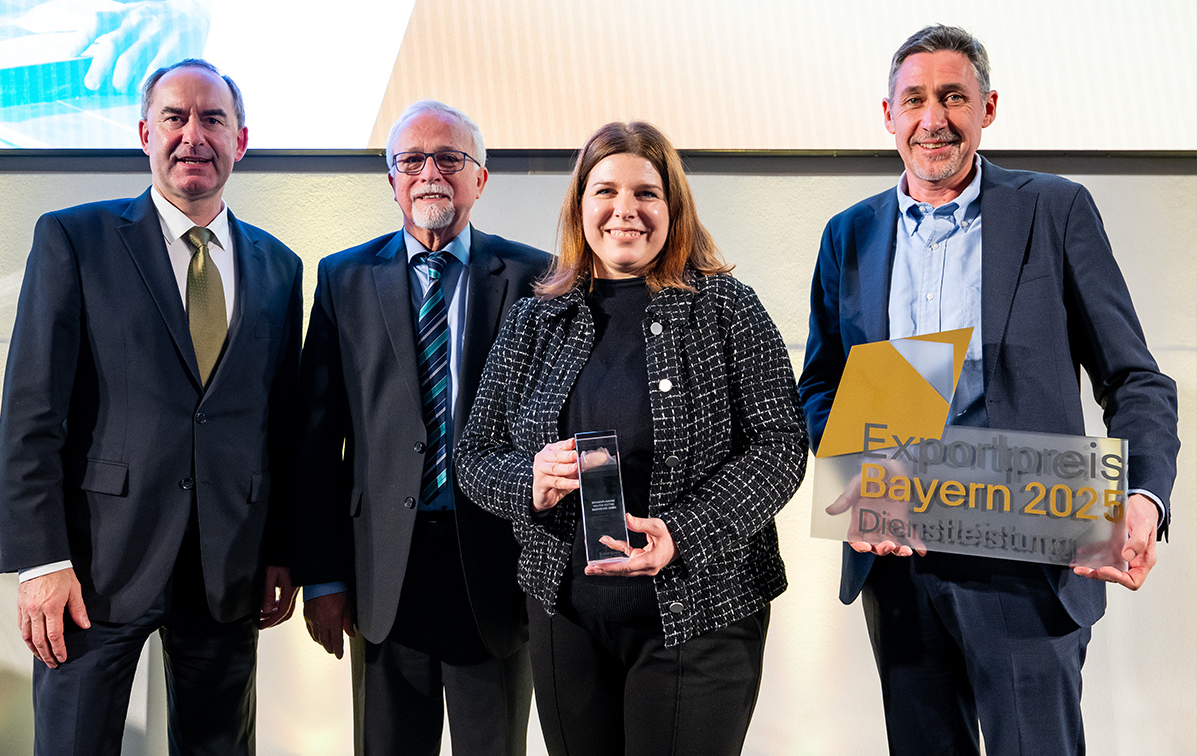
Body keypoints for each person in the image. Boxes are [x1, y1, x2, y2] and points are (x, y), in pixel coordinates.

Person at [798, 25, 1180, 756]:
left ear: (988, 107)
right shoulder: (849, 234)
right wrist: (865, 467)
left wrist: (1143, 496)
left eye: (953, 97)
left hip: (1032, 559)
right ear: (888, 115)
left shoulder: (1054, 209)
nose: (932, 118)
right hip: (899, 563)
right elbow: (821, 385)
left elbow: (1135, 380)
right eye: (914, 100)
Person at [456, 121, 808, 756]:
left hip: (702, 610)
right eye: (605, 192)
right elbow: (476, 454)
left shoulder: (729, 308)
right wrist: (526, 481)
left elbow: (779, 450)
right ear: (580, 206)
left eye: (646, 193)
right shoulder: (537, 315)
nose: (626, 211)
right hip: (566, 611)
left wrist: (687, 532)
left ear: (673, 207)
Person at [0, 58, 301, 754]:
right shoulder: (74, 240)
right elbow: (31, 414)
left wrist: (284, 551)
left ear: (240, 140)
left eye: (213, 118)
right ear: (144, 132)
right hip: (95, 569)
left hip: (228, 569)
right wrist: (41, 562)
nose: (194, 134)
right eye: (175, 117)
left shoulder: (279, 266)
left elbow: (279, 425)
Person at [293, 100, 550, 756]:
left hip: (497, 572)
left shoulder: (536, 278)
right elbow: (317, 444)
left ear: (480, 177)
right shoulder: (344, 278)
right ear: (392, 180)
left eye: (449, 159)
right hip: (383, 576)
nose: (430, 172)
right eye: (412, 160)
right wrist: (322, 577)